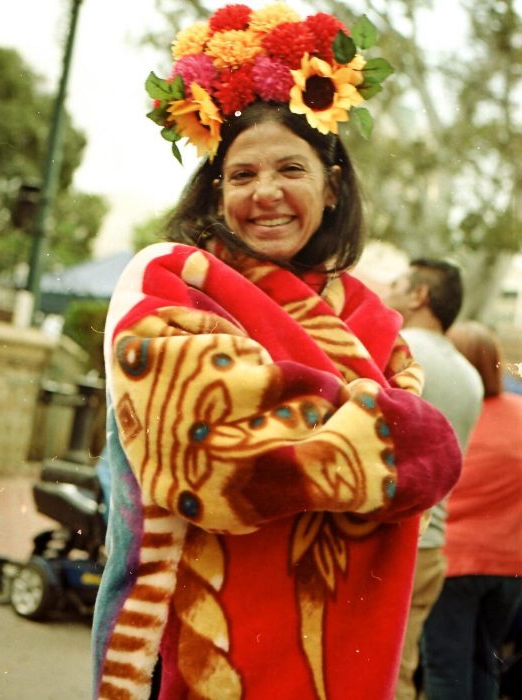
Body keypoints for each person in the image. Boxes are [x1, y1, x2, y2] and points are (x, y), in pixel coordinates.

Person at [91, 5, 462, 699]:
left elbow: (428, 458)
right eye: (240, 176)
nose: (265, 193)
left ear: (332, 185)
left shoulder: (372, 318)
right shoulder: (167, 281)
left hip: (336, 656)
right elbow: (210, 461)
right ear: (216, 192)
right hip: (192, 652)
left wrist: (325, 424)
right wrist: (367, 433)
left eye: (290, 168)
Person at [384, 259, 484, 700]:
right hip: (431, 545)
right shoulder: (471, 375)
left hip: (386, 542)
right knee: (401, 671)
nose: (388, 290)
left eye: (398, 284)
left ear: (419, 296)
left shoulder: (394, 348)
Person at [422, 321, 522, 700]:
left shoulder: (450, 419)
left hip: (455, 562)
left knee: (447, 669)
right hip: (512, 566)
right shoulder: (519, 412)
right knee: (484, 663)